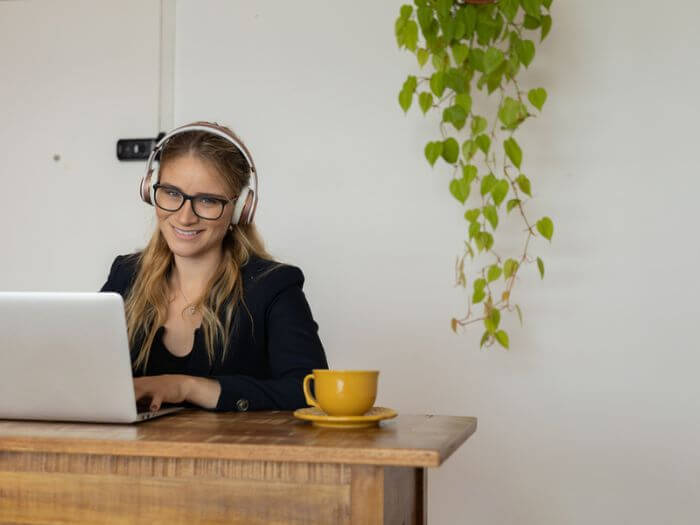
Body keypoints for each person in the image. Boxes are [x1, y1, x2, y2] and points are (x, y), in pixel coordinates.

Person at [99, 121, 328, 413]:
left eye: (207, 200)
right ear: (149, 191)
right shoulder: (126, 275)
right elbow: (83, 371)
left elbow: (312, 392)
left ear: (241, 208)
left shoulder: (273, 287)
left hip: (231, 456)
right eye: (171, 193)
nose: (184, 217)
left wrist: (185, 387)